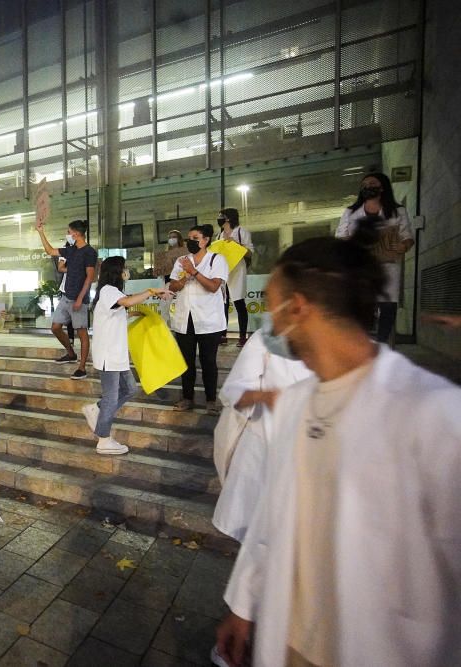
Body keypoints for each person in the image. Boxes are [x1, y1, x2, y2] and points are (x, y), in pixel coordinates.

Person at [214, 237, 461, 667]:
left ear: (299, 308)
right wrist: (243, 604)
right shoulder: (297, 402)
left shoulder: (430, 413)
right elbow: (277, 514)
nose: (269, 321)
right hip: (292, 641)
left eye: (273, 306)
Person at [210, 327, 312, 543]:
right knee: (260, 542)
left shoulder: (350, 348)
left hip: (314, 463)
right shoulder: (268, 337)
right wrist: (263, 396)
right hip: (264, 451)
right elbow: (233, 391)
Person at [83, 256, 171, 455]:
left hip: (117, 355)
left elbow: (117, 312)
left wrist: (134, 314)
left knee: (130, 389)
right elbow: (126, 301)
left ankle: (96, 409)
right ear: (116, 271)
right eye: (125, 268)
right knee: (111, 398)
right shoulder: (107, 290)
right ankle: (103, 439)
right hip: (109, 355)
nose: (127, 272)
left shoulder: (112, 293)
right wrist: (150, 291)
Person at [335, 171, 414, 344]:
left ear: (382, 187)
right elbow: (341, 236)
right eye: (365, 186)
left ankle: (382, 344)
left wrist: (403, 245)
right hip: (361, 265)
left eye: (372, 184)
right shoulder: (351, 212)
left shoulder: (397, 211)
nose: (368, 187)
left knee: (388, 305)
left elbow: (407, 236)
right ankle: (362, 343)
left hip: (388, 265)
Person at [167, 224, 229, 414]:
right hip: (185, 318)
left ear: (205, 240)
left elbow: (213, 286)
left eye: (195, 238)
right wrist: (185, 275)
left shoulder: (217, 260)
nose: (190, 242)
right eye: (189, 238)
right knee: (186, 360)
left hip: (209, 319)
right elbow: (173, 286)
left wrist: (194, 271)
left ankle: (211, 400)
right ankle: (187, 398)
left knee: (208, 360)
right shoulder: (181, 260)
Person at [35, 218, 98, 380]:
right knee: (55, 327)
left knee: (81, 332)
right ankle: (71, 353)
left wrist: (80, 298)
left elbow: (90, 277)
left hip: (79, 299)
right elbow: (50, 251)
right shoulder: (71, 250)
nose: (67, 234)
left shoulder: (89, 252)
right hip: (66, 297)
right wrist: (41, 232)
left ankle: (82, 367)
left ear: (76, 234)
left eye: (69, 232)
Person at [216, 208, 254, 347]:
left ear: (229, 218)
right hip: (224, 270)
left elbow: (249, 253)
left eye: (222, 216)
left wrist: (235, 244)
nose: (219, 218)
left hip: (237, 269)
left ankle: (242, 336)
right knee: (223, 304)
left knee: (239, 303)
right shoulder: (219, 235)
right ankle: (222, 334)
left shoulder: (241, 232)